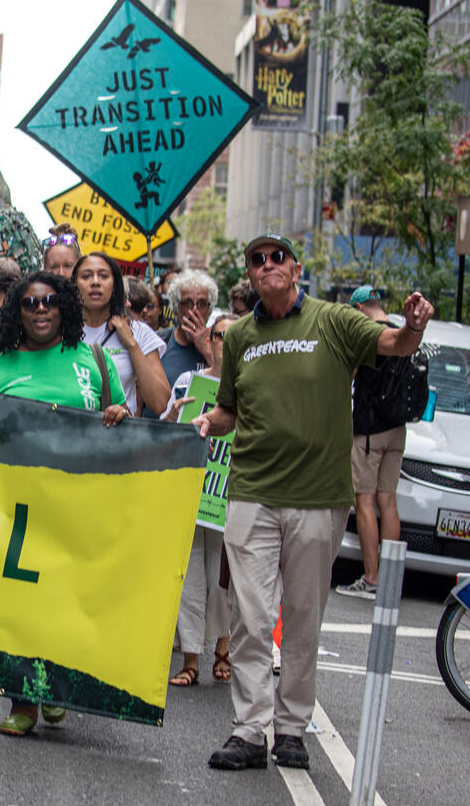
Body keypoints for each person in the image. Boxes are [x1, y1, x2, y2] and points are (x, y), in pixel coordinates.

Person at [192, 233, 434, 772]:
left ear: (296, 269)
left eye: (277, 257)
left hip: (319, 497)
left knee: (302, 619)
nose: (267, 265)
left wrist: (414, 325)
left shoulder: (333, 321)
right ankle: (249, 731)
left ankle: (291, 728)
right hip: (252, 491)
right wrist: (211, 420)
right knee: (250, 618)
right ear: (251, 276)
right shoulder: (243, 336)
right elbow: (230, 408)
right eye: (258, 260)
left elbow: (395, 345)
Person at [0, 270, 128, 736]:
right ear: (15, 312)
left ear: (65, 307)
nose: (40, 311)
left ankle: (55, 685)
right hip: (15, 507)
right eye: (30, 304)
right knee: (20, 605)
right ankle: (24, 701)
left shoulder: (94, 359)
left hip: (76, 505)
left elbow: (121, 419)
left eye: (49, 303)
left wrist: (118, 416)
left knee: (64, 600)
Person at [163, 313, 238, 687]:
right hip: (192, 494)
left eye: (234, 335)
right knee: (189, 576)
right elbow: (169, 429)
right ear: (209, 339)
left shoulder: (251, 386)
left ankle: (223, 648)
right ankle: (191, 657)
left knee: (222, 577)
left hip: (229, 499)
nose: (226, 342)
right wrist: (174, 412)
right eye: (221, 335)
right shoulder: (188, 382)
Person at [337, 285, 407, 600]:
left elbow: (346, 375)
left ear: (361, 308)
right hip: (398, 429)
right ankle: (391, 580)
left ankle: (372, 577)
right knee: (388, 501)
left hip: (369, 431)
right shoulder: (403, 334)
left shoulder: (369, 335)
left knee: (364, 501)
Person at [73, 251, 170, 416]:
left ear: (115, 285)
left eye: (103, 276)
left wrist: (131, 344)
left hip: (118, 436)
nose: (95, 282)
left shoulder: (138, 331)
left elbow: (160, 403)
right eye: (86, 276)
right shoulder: (60, 330)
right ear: (74, 285)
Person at [161, 269, 218, 384]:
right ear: (176, 308)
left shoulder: (220, 344)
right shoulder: (160, 341)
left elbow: (228, 386)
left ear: (209, 310)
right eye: (188, 303)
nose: (194, 310)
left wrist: (206, 350)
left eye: (202, 304)